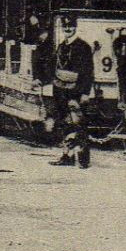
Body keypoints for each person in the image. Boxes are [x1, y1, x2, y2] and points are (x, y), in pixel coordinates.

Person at [44, 12, 95, 168]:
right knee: (65, 124)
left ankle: (83, 160)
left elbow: (88, 72)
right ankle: (67, 156)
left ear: (75, 27)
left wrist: (85, 93)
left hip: (76, 91)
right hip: (60, 91)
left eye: (70, 26)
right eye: (65, 26)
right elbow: (54, 67)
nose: (68, 29)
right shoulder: (62, 46)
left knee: (78, 123)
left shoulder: (83, 47)